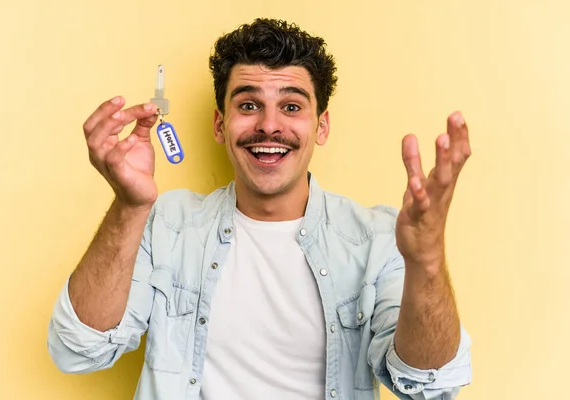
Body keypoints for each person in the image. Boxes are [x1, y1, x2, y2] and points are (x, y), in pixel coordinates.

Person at [47, 18, 472, 400]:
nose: (269, 125)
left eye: (291, 106)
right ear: (220, 124)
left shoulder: (378, 239)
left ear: (321, 125)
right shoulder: (166, 224)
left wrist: (427, 262)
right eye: (249, 105)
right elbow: (76, 350)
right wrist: (128, 205)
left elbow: (430, 385)